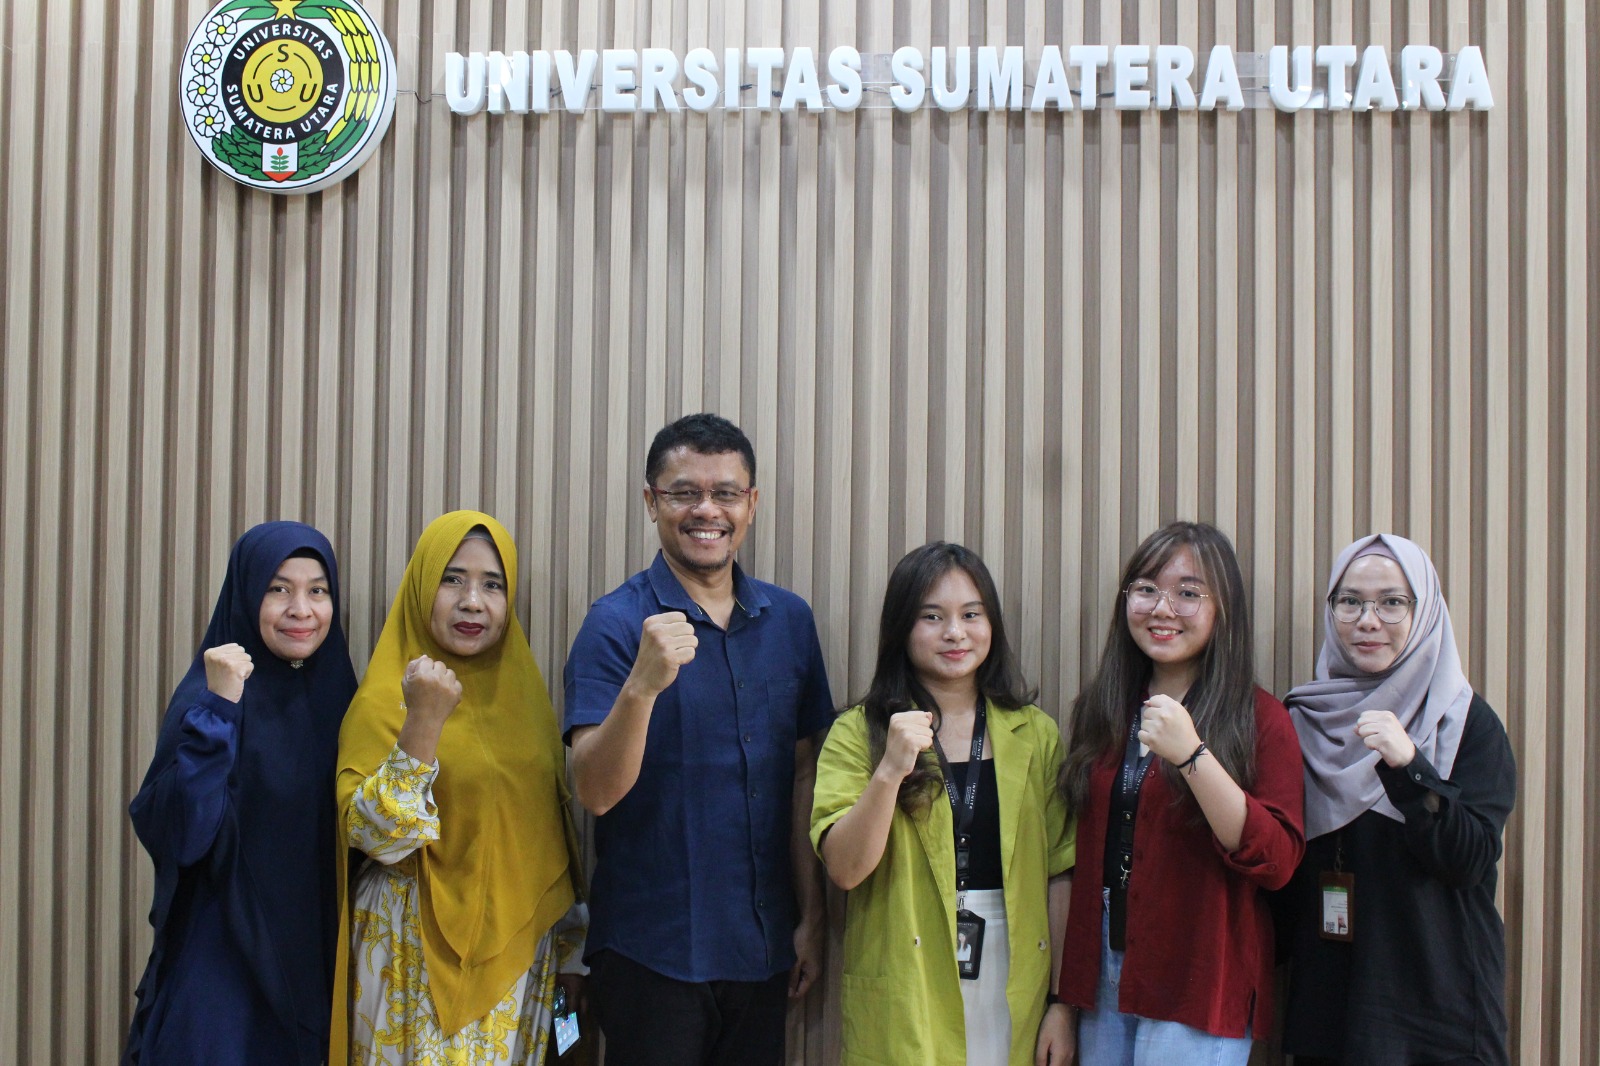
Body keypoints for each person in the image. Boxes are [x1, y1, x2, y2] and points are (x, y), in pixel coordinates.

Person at [563, 413, 834, 1066]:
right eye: (684, 492)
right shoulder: (615, 623)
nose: (707, 510)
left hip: (761, 947)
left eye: (726, 493)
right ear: (652, 501)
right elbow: (594, 791)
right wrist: (641, 687)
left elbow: (804, 775)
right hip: (649, 952)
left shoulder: (789, 621)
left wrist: (811, 916)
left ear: (752, 504)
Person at [329, 511, 585, 1065]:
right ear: (423, 587)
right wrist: (423, 721)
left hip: (521, 957)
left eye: (492, 585)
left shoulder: (527, 705)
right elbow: (372, 838)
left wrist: (571, 961)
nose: (473, 602)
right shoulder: (382, 700)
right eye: (452, 580)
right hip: (410, 955)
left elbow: (546, 843)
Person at [810, 542, 1075, 1066]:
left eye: (971, 615)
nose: (955, 633)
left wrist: (1061, 1002)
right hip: (907, 968)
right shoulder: (857, 732)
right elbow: (844, 868)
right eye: (932, 617)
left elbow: (1060, 874)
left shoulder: (1035, 733)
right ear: (902, 628)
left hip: (1015, 965)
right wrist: (890, 769)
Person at [1055, 520, 1304, 1065]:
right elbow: (1078, 861)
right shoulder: (1103, 709)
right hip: (1104, 973)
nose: (1162, 609)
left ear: (1223, 610)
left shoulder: (1260, 718)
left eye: (1189, 593)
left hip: (1200, 976)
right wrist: (1064, 1001)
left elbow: (1278, 861)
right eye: (1146, 589)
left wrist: (1193, 756)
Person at [124, 521, 357, 1065]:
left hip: (315, 956)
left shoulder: (344, 699)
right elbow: (183, 836)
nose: (301, 609)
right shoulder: (207, 699)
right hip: (224, 964)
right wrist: (220, 708)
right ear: (248, 594)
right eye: (279, 589)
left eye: (317, 590)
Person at [1280, 534, 1515, 1066]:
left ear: (1425, 610)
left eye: (1392, 602)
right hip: (1331, 1005)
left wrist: (1411, 766)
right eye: (1350, 601)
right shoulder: (1302, 721)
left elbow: (1471, 859)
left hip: (1437, 1009)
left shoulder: (1462, 722)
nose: (1368, 621)